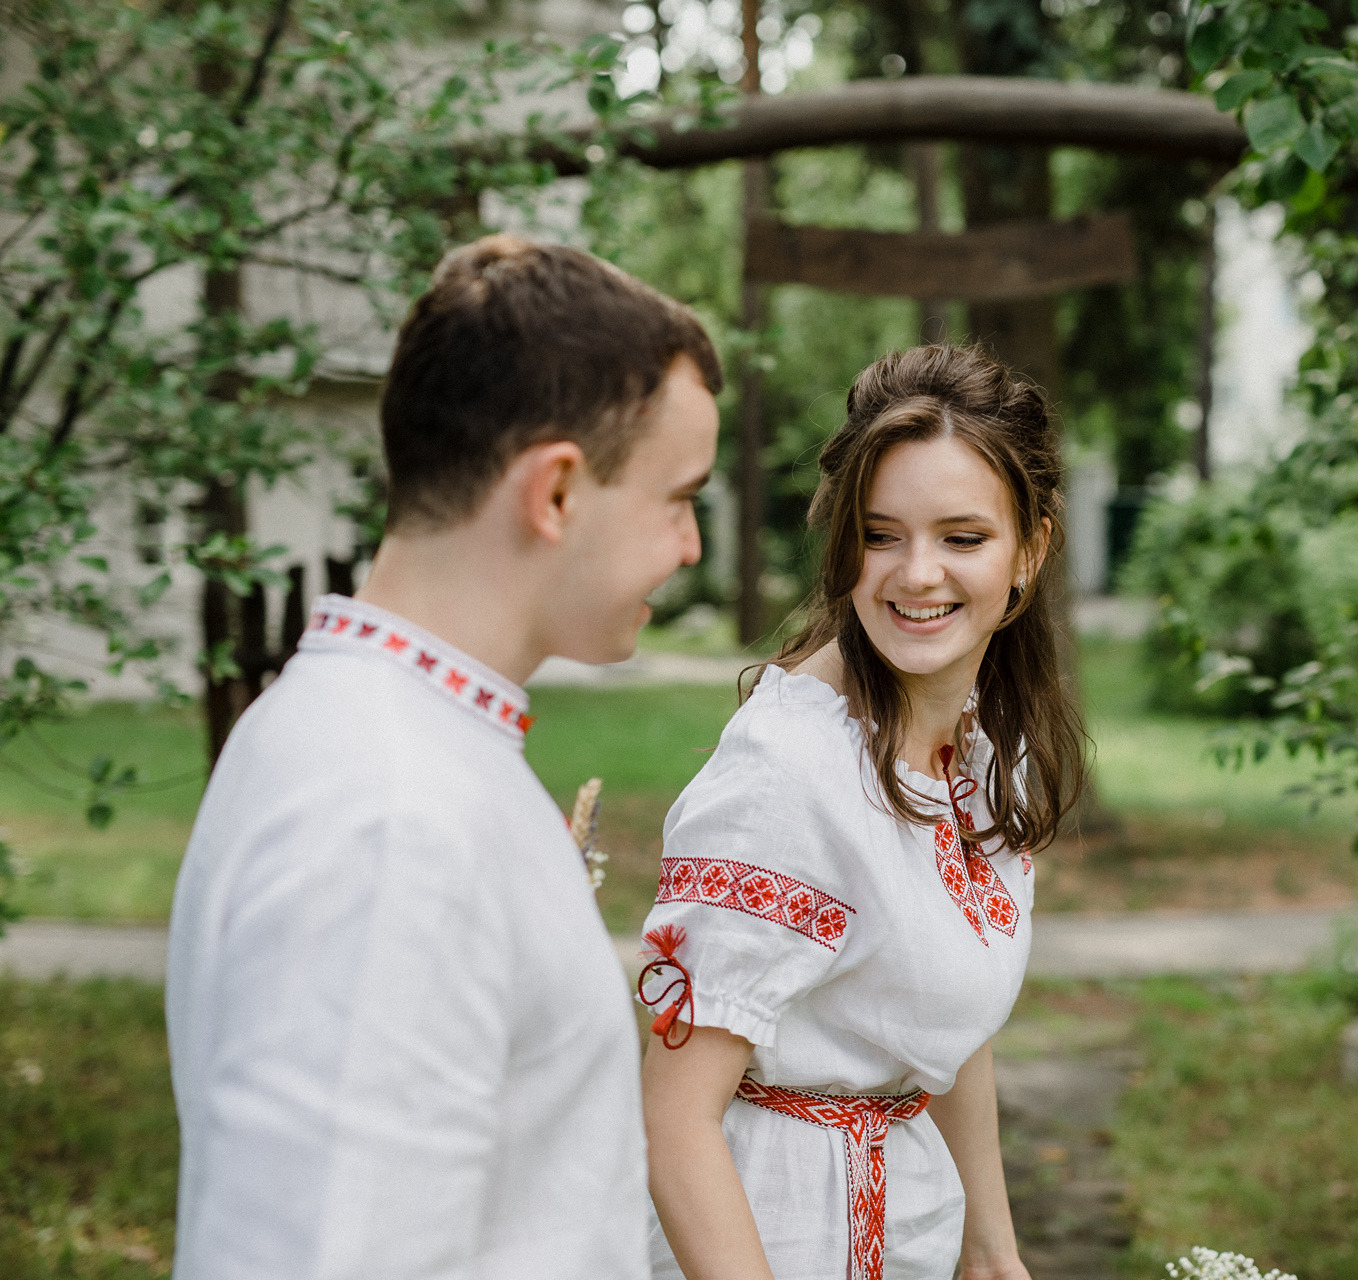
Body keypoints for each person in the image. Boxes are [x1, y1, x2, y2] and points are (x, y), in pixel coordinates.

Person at [166, 235, 722, 1279]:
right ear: (556, 491)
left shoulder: (375, 733)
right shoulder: (389, 816)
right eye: (678, 495)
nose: (691, 544)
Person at [637, 344, 1086, 1280]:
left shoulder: (979, 752)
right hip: (775, 1232)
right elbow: (675, 1121)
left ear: (1029, 551)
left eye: (963, 538)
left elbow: (943, 1023)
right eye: (882, 535)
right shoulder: (786, 774)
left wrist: (993, 1248)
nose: (917, 574)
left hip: (911, 1216)